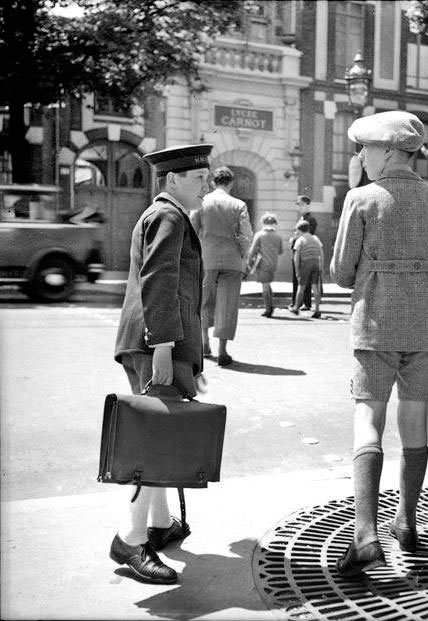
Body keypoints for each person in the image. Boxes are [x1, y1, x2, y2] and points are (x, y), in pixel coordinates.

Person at [330, 111, 428, 577]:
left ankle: (365, 534)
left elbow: (342, 272)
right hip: (427, 333)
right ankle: (406, 524)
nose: (360, 157)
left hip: (375, 328)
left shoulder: (361, 200)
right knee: (414, 426)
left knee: (368, 421)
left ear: (387, 151)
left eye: (364, 149)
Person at [111, 143, 213, 584]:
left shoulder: (168, 215)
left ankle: (158, 525)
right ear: (173, 180)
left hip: (156, 341)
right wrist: (166, 347)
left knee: (161, 434)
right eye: (198, 179)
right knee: (157, 444)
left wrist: (190, 353)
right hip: (155, 342)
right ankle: (130, 540)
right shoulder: (169, 216)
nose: (206, 185)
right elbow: (160, 283)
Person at [191, 166, 253, 366]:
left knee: (204, 301)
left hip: (206, 258)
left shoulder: (201, 203)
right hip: (232, 260)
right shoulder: (239, 204)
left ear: (212, 182)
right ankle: (223, 350)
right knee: (228, 304)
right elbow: (246, 235)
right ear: (231, 183)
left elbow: (192, 231)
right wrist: (242, 254)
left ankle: (205, 343)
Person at [247, 212, 283, 317]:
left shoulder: (259, 235)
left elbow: (252, 251)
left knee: (265, 287)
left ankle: (268, 310)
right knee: (268, 285)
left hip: (262, 264)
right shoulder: (278, 236)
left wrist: (249, 264)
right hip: (273, 264)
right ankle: (271, 305)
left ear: (263, 223)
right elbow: (280, 251)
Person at [288, 219, 324, 318]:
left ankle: (295, 307)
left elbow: (296, 257)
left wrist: (297, 270)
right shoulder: (315, 238)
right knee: (315, 287)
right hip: (316, 263)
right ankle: (317, 309)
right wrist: (321, 266)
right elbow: (321, 252)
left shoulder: (300, 240)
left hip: (306, 263)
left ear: (299, 230)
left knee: (301, 286)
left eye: (297, 230)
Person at [290, 195, 318, 309]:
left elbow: (308, 236)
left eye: (301, 204)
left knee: (303, 279)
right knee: (297, 278)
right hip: (298, 251)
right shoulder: (302, 218)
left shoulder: (310, 219)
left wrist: (295, 239)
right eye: (298, 204)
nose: (299, 207)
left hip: (304, 253)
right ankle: (298, 302)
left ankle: (305, 303)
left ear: (308, 205)